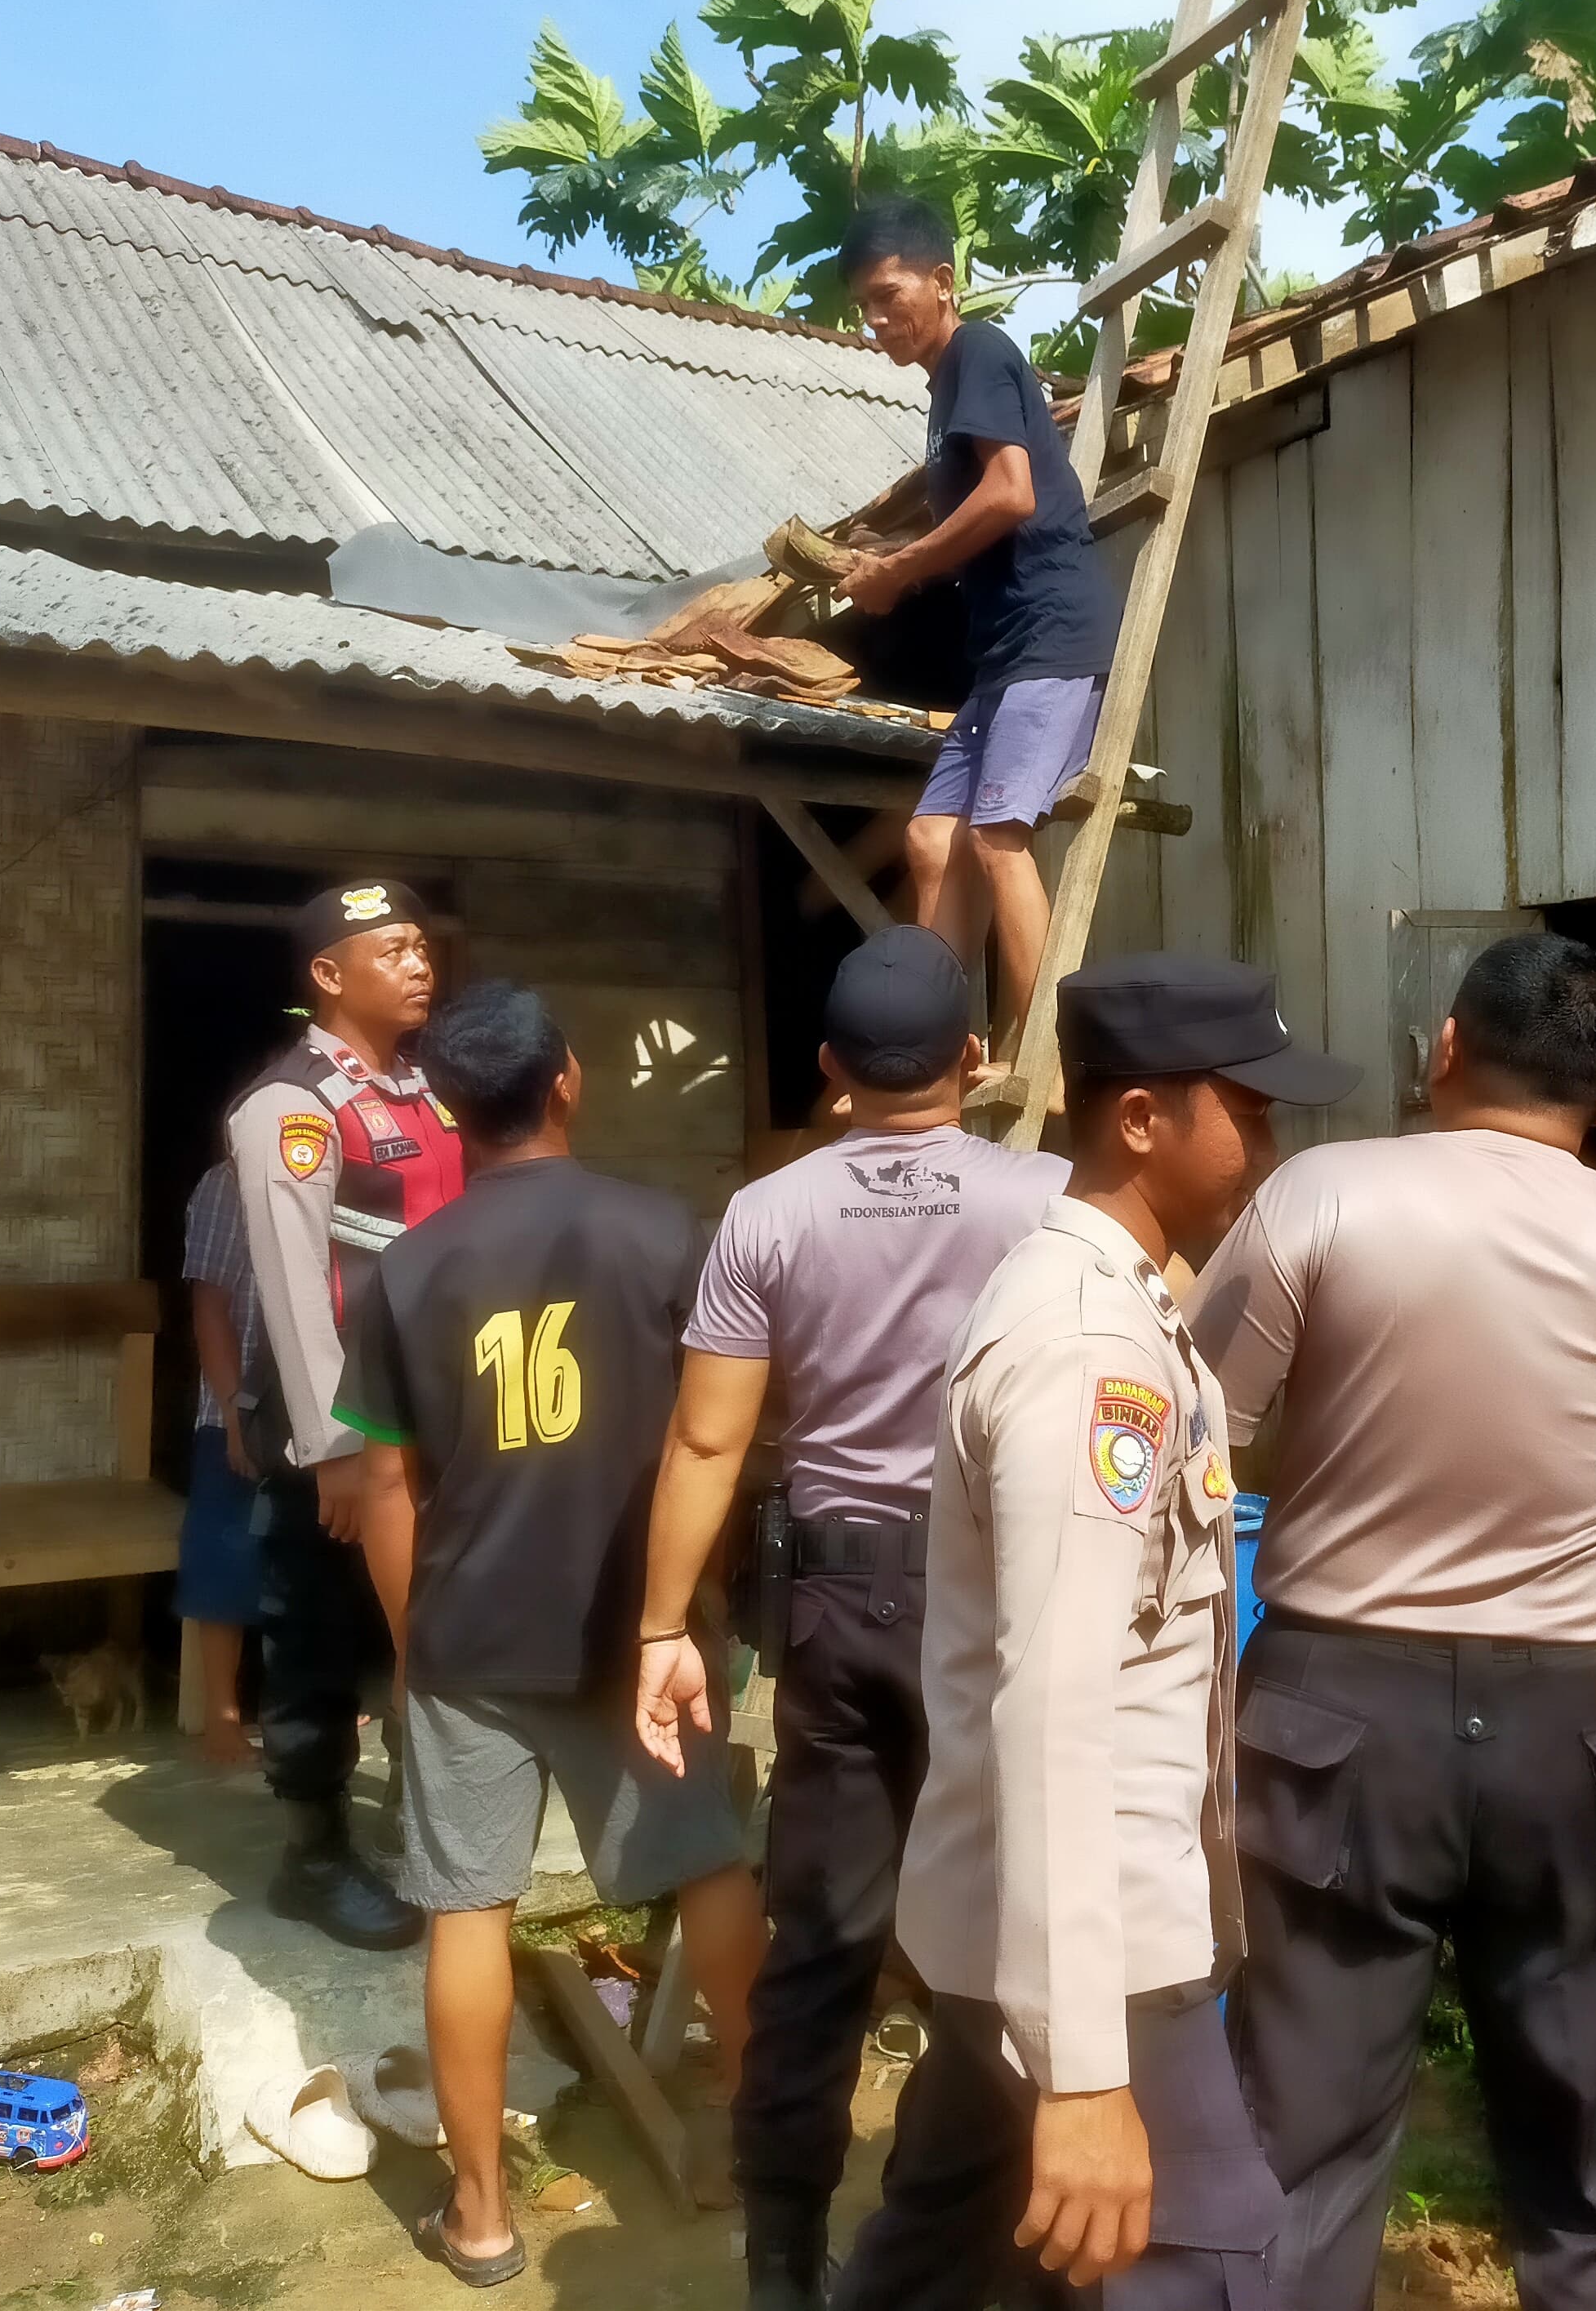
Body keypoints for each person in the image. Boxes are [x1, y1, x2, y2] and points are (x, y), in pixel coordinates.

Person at [1187, 933, 1596, 2311]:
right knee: (1592, 2155)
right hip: (1579, 1731)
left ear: (1442, 1049)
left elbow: (1204, 1419)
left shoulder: (1324, 1196)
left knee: (1301, 2133)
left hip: (1340, 1720)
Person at [829, 955, 1353, 2310]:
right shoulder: (1088, 1349)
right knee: (1211, 2259)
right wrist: (1081, 2073)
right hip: (1095, 1934)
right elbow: (1055, 1703)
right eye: (1248, 1111)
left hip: (1022, 1905)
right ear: (1138, 1118)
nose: (1269, 1148)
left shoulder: (1124, 1307)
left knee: (946, 2254)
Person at [629, 925, 1067, 2311]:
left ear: (829, 1066)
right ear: (975, 1060)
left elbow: (708, 1442)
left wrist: (661, 1629)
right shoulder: (1049, 1201)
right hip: (996, 1595)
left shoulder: (768, 1214)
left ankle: (782, 2258)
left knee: (820, 1936)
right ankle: (998, 2234)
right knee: (1017, 1920)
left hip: (832, 1602)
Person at [335, 980, 764, 2290]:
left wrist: (415, 1651)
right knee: (709, 1867)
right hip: (640, 1631)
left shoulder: (406, 1273)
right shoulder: (667, 1235)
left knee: (468, 1912)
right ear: (567, 1079)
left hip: (472, 1637)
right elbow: (715, 1438)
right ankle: (770, 2146)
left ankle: (479, 2218)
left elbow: (387, 1488)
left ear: (449, 1112)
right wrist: (693, 1609)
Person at [225, 879, 462, 1950]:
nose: (419, 964)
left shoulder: (428, 1092)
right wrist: (332, 1451)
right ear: (328, 975)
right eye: (392, 950)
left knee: (429, 1618)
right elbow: (291, 1286)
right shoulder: (291, 1108)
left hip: (432, 1413)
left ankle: (432, 1818)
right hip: (337, 1428)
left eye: (421, 947)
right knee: (317, 1632)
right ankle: (313, 1856)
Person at [834, 195, 1123, 1039]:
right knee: (932, 840)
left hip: (1051, 640)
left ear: (942, 280)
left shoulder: (980, 351)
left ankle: (1046, 1060)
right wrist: (893, 556)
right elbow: (973, 525)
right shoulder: (945, 392)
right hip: (999, 660)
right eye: (863, 306)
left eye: (888, 295)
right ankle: (936, 1048)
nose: (875, 319)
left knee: (997, 839)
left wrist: (898, 569)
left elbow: (1010, 494)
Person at [179, 1159, 266, 1768]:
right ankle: (221, 1721)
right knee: (226, 1559)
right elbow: (209, 1305)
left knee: (311, 1561)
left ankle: (307, 1705)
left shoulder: (339, 1169)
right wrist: (236, 1415)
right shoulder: (226, 1184)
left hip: (320, 1407)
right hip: (237, 1406)